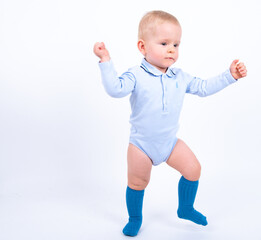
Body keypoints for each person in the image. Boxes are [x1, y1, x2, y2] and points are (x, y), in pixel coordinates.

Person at [93, 10, 247, 237]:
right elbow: (115, 89)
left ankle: (185, 208)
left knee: (194, 169)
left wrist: (229, 75)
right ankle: (135, 217)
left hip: (169, 143)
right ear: (143, 47)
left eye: (176, 44)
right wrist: (105, 61)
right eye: (164, 43)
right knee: (138, 182)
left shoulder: (180, 77)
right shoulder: (136, 75)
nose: (171, 50)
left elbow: (203, 87)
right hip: (141, 145)